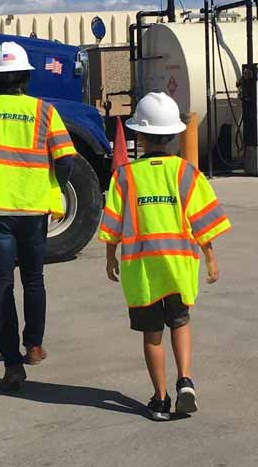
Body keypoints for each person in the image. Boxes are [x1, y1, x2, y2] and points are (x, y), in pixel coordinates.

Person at [0, 41, 77, 390]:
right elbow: (66, 160)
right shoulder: (44, 111)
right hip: (34, 209)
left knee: (1, 285)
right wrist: (50, 185)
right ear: (24, 77)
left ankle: (12, 365)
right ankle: (33, 347)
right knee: (34, 279)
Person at [99, 92, 231, 421]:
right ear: (173, 134)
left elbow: (113, 223)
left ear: (139, 135)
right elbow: (203, 219)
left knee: (152, 335)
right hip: (179, 266)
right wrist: (210, 257)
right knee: (181, 322)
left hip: (142, 272)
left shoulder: (125, 176)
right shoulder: (187, 173)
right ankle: (185, 380)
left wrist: (109, 256)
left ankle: (160, 400)